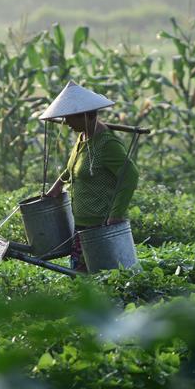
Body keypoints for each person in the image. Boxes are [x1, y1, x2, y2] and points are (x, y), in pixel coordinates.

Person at [41, 83, 139, 272]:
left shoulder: (107, 144)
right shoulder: (83, 138)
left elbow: (130, 176)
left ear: (88, 115)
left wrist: (116, 213)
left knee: (102, 280)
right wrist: (57, 186)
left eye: (70, 117)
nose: (66, 122)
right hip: (81, 225)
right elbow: (71, 169)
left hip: (101, 226)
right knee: (81, 282)